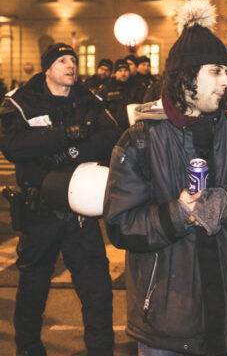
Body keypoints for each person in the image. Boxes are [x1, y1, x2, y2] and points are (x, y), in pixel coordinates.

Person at [103, 0, 227, 356]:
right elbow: (121, 225)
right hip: (165, 316)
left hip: (224, 309)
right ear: (185, 77)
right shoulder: (140, 139)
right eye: (216, 71)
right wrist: (178, 214)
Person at [0, 43, 120, 356]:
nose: (71, 65)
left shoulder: (87, 98)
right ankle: (28, 349)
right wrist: (65, 135)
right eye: (62, 60)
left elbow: (110, 136)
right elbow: (13, 144)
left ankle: (100, 350)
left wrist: (72, 151)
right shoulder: (22, 101)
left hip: (80, 212)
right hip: (39, 213)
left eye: (73, 60)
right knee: (33, 287)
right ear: (47, 67)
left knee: (97, 289)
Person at [98, 58, 134, 130]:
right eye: (120, 71)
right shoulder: (106, 88)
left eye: (126, 70)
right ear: (115, 73)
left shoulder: (134, 87)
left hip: (131, 127)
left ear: (129, 72)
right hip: (111, 128)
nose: (123, 74)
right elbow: (100, 108)